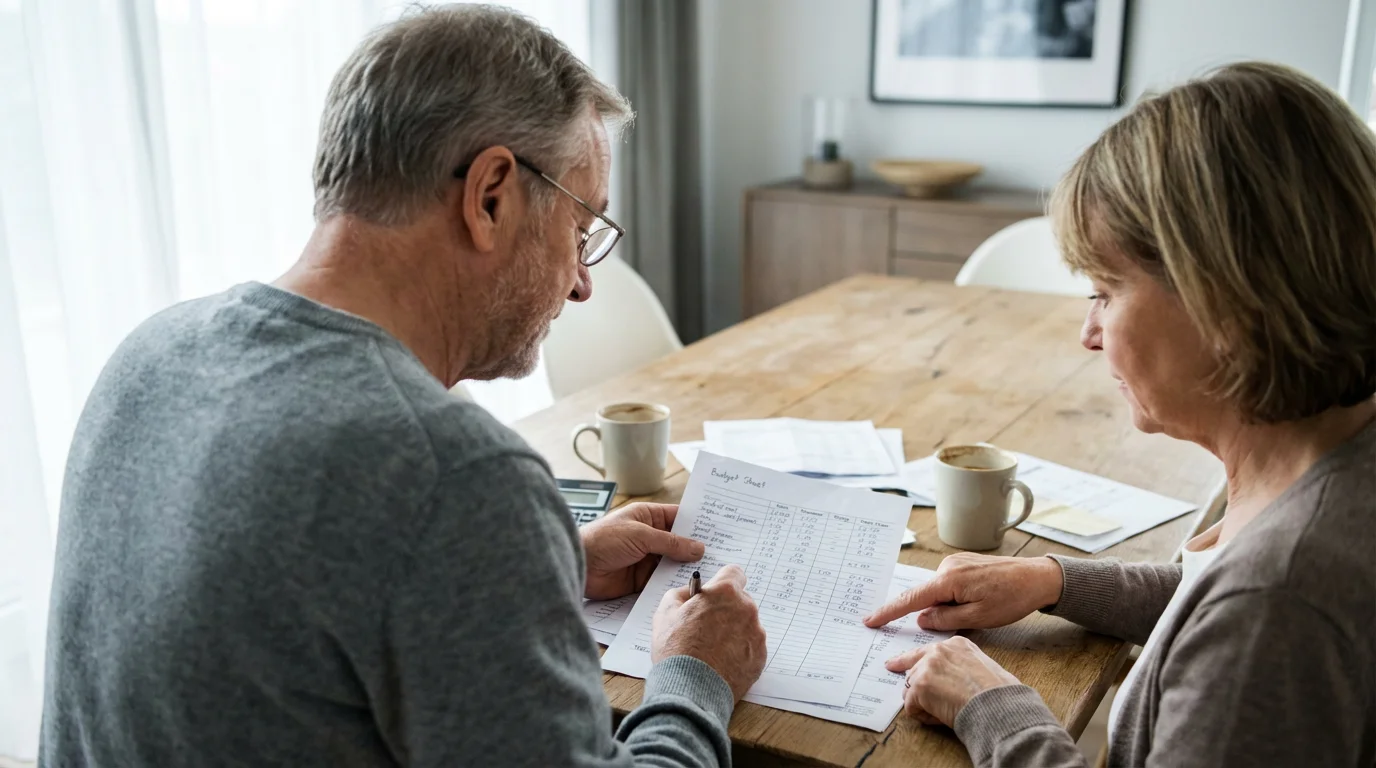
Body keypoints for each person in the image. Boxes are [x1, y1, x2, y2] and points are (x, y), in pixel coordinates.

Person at [39, 6, 767, 767]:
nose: (583, 284)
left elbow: (295, 598)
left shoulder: (149, 354)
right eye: (580, 231)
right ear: (490, 195)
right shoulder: (452, 476)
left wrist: (551, 562)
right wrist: (696, 673)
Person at [865, 61, 1376, 767]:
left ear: (1223, 299)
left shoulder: (1277, 604)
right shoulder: (1336, 455)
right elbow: (1211, 596)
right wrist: (1055, 580)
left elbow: (1243, 609)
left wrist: (995, 710)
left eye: (1105, 291)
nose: (1089, 332)